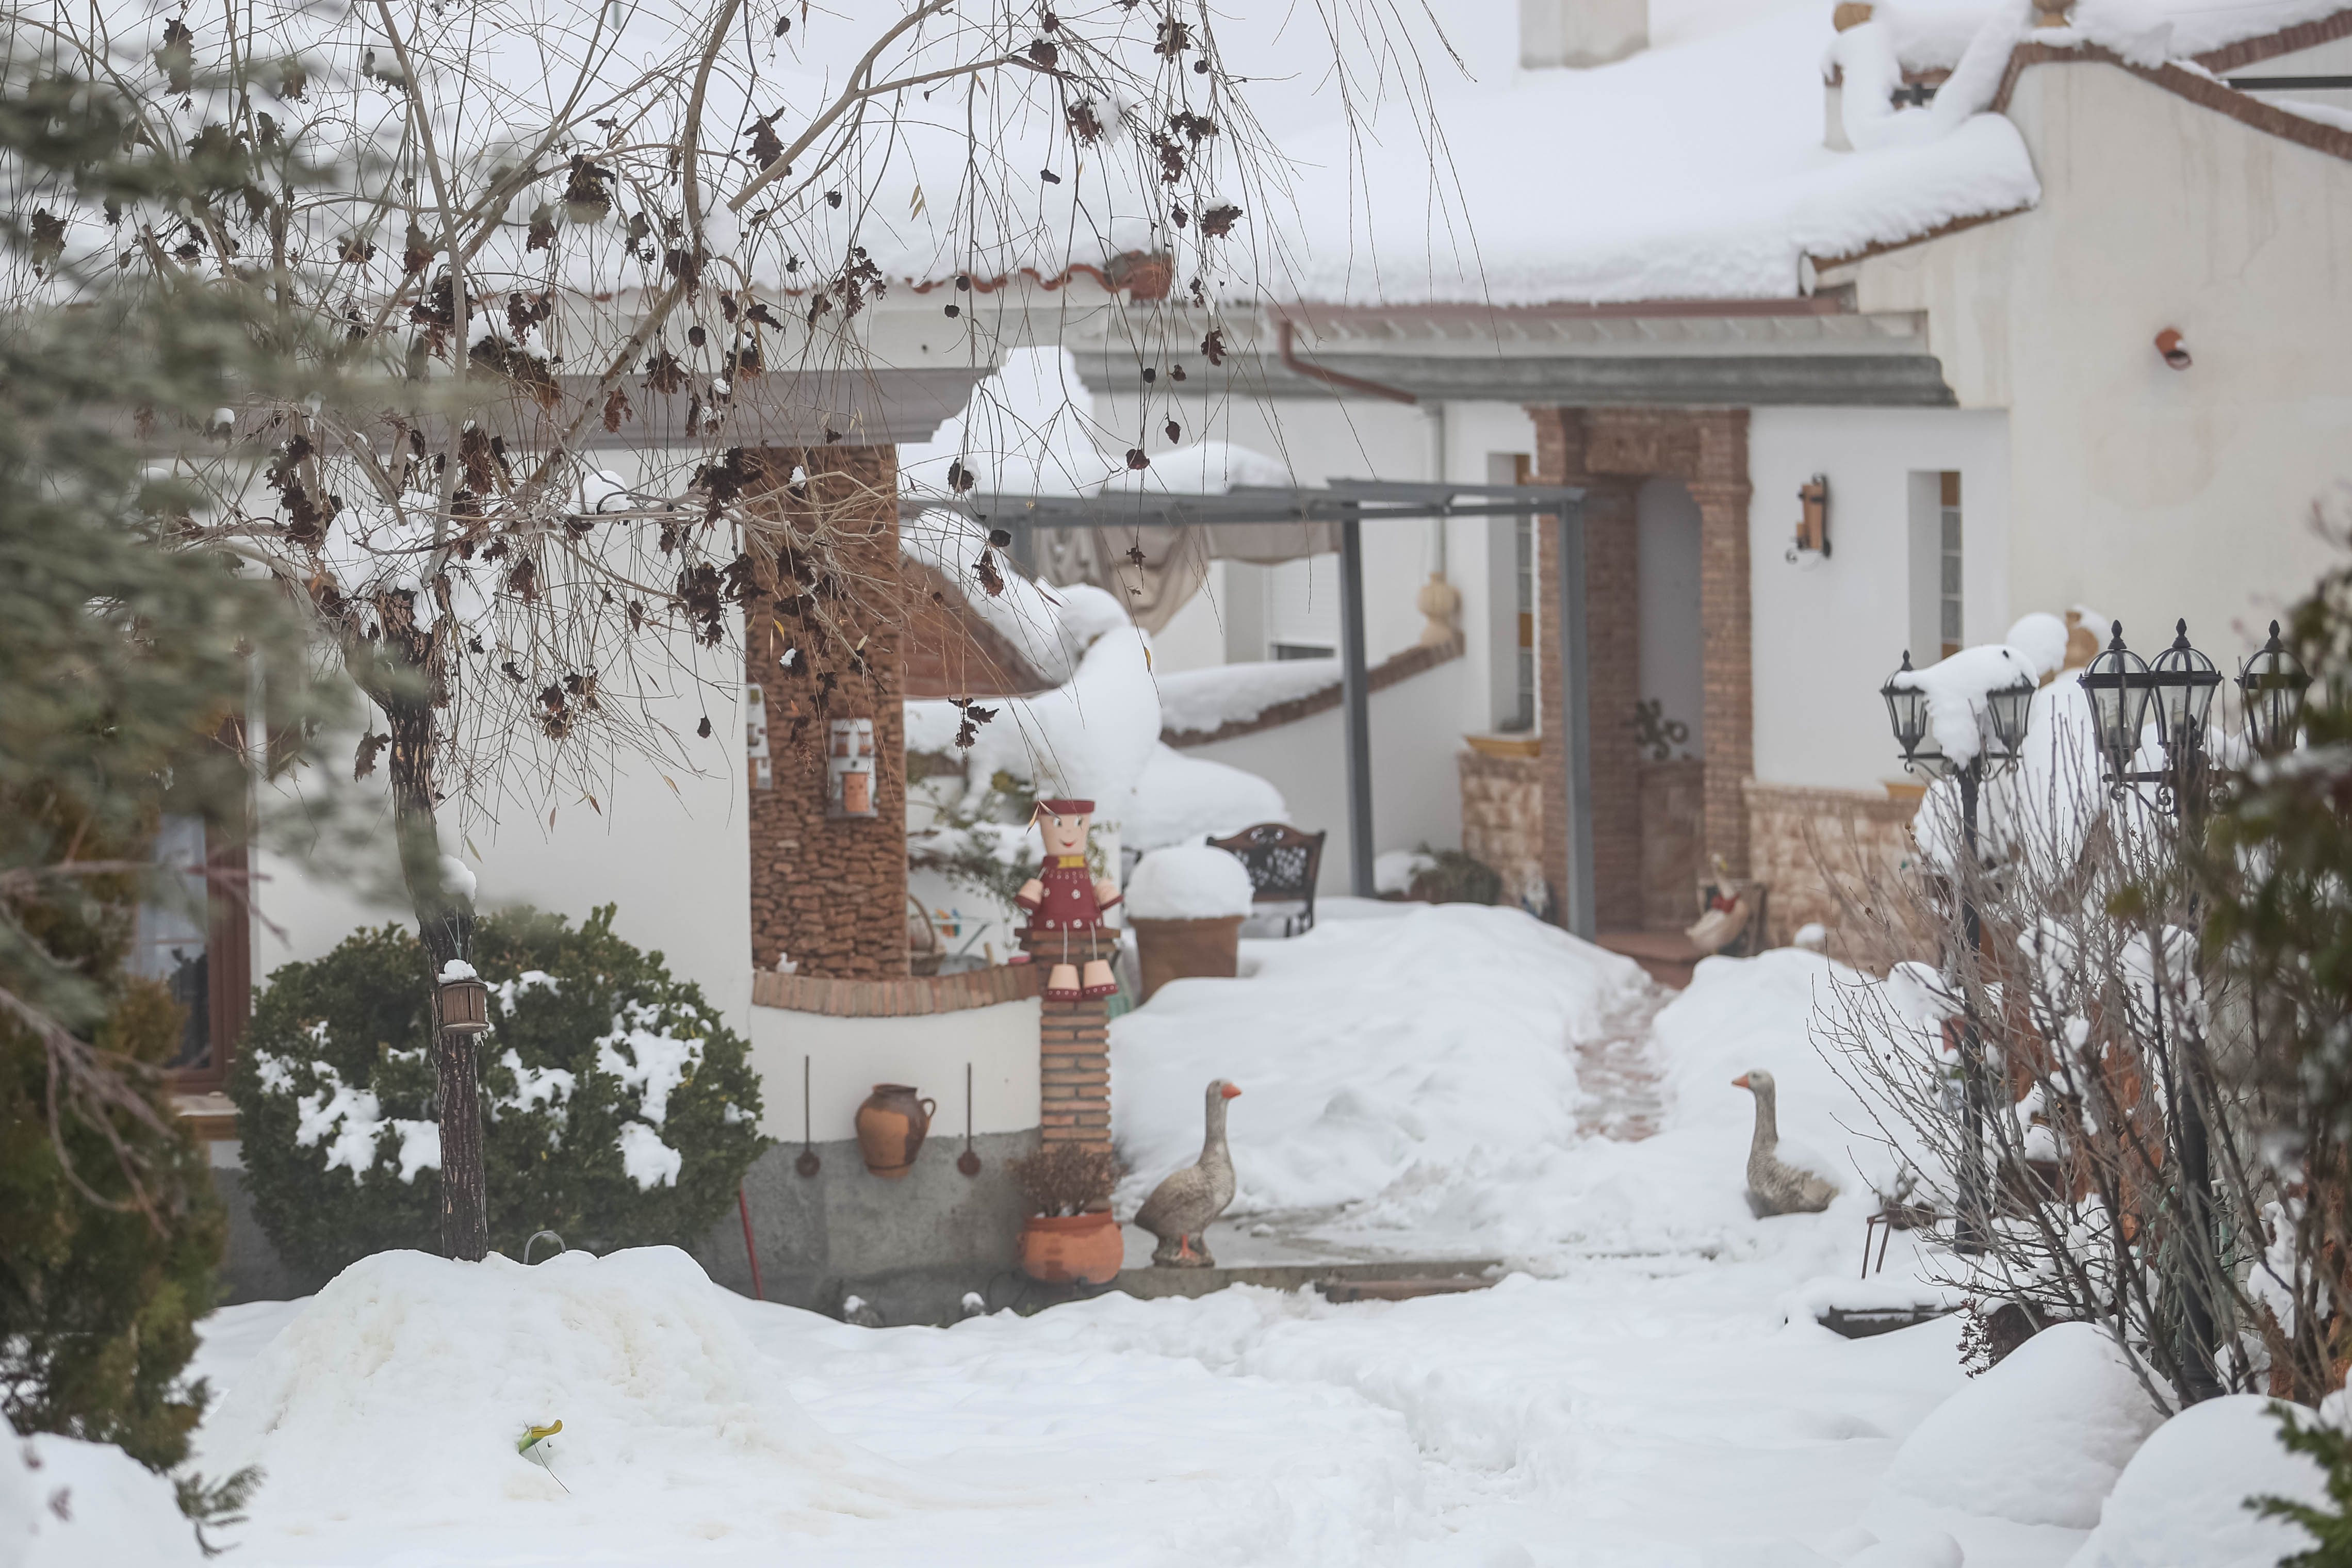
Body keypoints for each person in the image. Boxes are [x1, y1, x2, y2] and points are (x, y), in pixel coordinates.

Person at [1016, 797, 1122, 1000]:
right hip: (1053, 926)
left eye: (1078, 823)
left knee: (1094, 963)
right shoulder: (1047, 873)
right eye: (1057, 824)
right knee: (1064, 970)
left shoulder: (1082, 869)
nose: (1068, 832)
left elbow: (1103, 894)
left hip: (1088, 926)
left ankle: (1096, 980)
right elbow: (1030, 897)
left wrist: (1107, 894)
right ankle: (1064, 985)